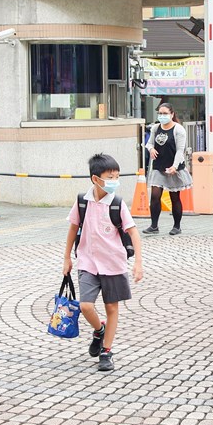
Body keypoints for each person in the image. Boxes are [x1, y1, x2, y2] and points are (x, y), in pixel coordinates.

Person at [63, 154, 144, 372]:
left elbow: (133, 232)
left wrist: (138, 262)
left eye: (117, 177)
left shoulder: (117, 204)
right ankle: (99, 330)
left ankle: (106, 351)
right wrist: (66, 258)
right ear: (95, 179)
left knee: (111, 308)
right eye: (110, 177)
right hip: (88, 262)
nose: (114, 181)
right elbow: (72, 228)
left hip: (113, 264)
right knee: (85, 305)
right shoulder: (82, 202)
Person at [144, 103, 192, 235]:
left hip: (173, 167)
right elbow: (149, 143)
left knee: (174, 197)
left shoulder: (179, 129)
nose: (162, 116)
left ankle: (177, 226)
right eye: (160, 113)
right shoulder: (155, 128)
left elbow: (180, 150)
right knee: (155, 195)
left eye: (165, 113)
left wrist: (174, 166)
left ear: (172, 114)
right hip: (158, 165)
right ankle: (154, 225)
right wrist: (151, 149)